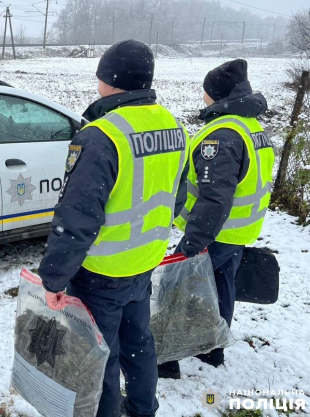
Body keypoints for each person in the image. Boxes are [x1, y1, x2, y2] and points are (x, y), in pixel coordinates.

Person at [38, 40, 190, 417]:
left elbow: (75, 219)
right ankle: (142, 409)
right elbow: (180, 196)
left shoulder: (102, 136)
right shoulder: (174, 127)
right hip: (144, 261)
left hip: (102, 273)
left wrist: (54, 280)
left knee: (98, 355)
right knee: (138, 342)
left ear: (107, 80)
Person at [158, 59, 274, 379]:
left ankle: (165, 360)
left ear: (217, 94)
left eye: (206, 90)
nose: (203, 96)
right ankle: (212, 348)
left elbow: (214, 198)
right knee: (221, 287)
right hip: (238, 230)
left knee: (176, 288)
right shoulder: (250, 126)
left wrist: (193, 243)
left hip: (215, 231)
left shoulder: (222, 135)